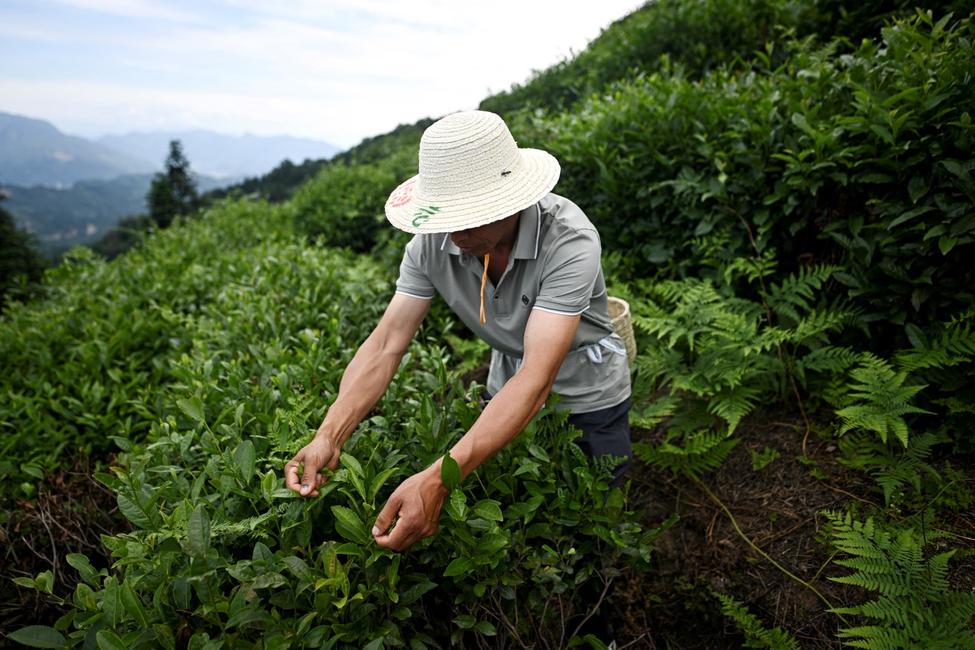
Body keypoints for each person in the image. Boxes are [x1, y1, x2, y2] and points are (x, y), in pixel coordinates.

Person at [284, 110, 632, 553]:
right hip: (506, 380)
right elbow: (386, 344)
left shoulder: (569, 241)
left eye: (473, 215)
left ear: (512, 201)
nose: (456, 232)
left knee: (596, 511)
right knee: (513, 510)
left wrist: (437, 479)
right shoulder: (432, 242)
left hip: (588, 390)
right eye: (448, 215)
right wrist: (328, 435)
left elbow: (537, 377)